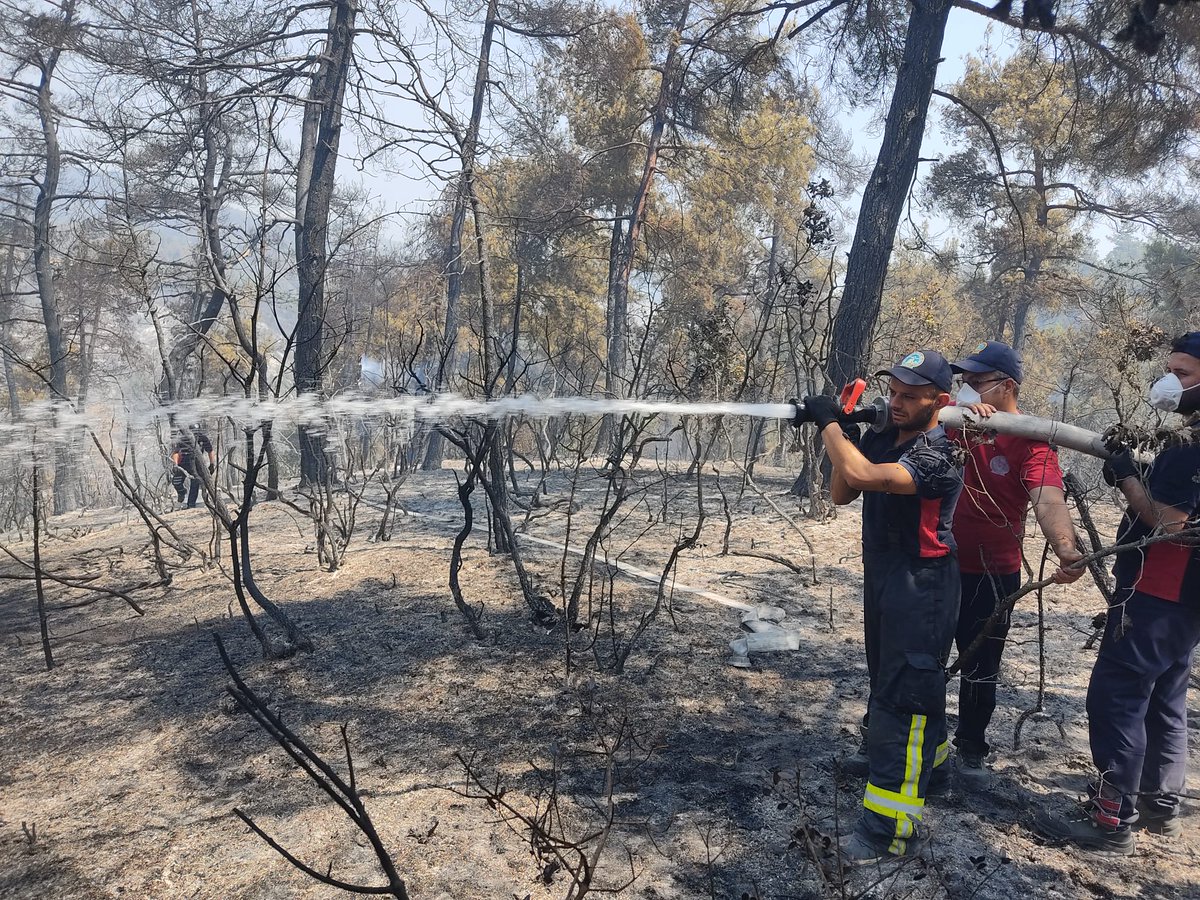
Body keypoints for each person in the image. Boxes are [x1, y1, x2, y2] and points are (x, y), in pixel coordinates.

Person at [1036, 331, 1200, 855]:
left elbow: (1168, 525)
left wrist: (1128, 477)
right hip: (1186, 600)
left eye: (1184, 374)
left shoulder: (1190, 446)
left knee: (1117, 695)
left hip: (1158, 591)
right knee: (1166, 694)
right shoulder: (1186, 440)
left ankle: (1111, 820)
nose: (1170, 382)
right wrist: (1143, 472)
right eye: (1170, 370)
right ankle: (1160, 806)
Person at [803, 349, 964, 864]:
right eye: (892, 392)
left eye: (909, 397)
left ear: (940, 402)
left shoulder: (940, 455)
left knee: (905, 695)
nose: (895, 402)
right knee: (893, 681)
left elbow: (867, 478)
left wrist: (829, 423)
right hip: (884, 574)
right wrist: (848, 434)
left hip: (924, 584)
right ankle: (933, 771)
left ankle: (888, 830)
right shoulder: (883, 437)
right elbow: (841, 491)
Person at [947, 341, 1084, 780]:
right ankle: (911, 737)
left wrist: (1066, 548)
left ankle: (971, 747)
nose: (967, 388)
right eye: (964, 380)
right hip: (936, 562)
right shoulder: (952, 421)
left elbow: (1047, 498)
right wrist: (955, 414)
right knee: (920, 653)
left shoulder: (1031, 440)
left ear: (1006, 386)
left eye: (977, 381)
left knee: (981, 664)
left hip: (991, 574)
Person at [171, 425, 215, 509]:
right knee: (176, 481)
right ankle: (181, 492)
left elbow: (210, 451)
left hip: (197, 464)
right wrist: (175, 464)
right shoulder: (183, 439)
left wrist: (212, 464)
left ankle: (191, 505)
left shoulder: (203, 438)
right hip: (183, 463)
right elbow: (176, 452)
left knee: (195, 483)